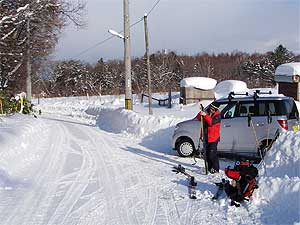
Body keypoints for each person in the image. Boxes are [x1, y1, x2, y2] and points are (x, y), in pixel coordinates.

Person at [196, 102, 221, 174]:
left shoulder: (218, 115)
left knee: (212, 153)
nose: (211, 110)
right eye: (211, 108)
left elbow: (211, 123)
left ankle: (215, 169)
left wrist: (205, 115)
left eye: (213, 109)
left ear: (215, 109)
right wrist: (201, 113)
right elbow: (198, 118)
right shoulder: (207, 112)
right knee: (207, 154)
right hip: (206, 136)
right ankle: (209, 168)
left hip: (213, 137)